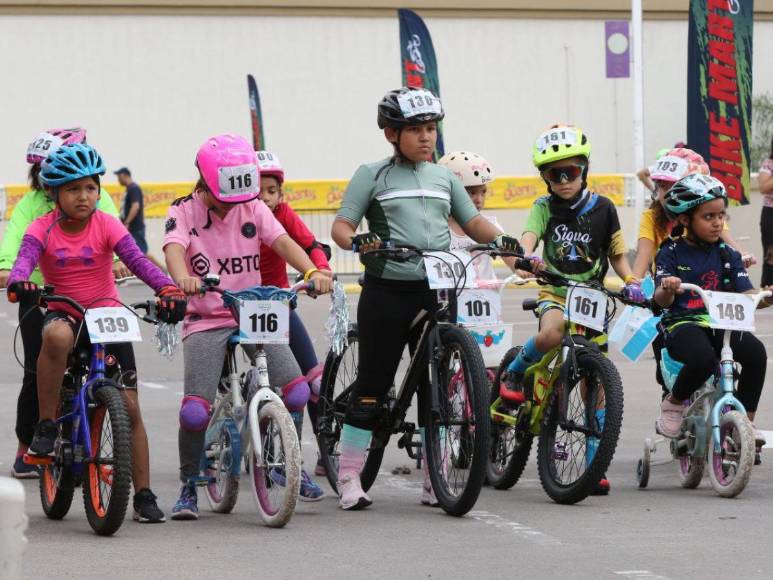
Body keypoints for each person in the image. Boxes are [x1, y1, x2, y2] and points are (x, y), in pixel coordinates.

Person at [330, 87, 521, 510]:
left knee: (436, 387)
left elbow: (472, 223)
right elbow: (342, 226)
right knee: (373, 385)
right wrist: (360, 241)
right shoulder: (372, 174)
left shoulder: (443, 177)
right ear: (391, 135)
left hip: (435, 290)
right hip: (386, 291)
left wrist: (507, 244)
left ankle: (435, 479)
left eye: (431, 128)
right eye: (415, 129)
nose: (426, 137)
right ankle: (348, 477)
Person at [6, 143, 186, 523]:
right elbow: (24, 260)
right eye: (73, 189)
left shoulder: (107, 222)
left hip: (106, 314)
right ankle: (46, 424)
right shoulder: (42, 227)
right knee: (54, 336)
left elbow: (137, 260)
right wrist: (21, 281)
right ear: (54, 193)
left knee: (131, 406)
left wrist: (167, 288)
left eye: (90, 188)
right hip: (64, 312)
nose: (84, 197)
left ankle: (143, 494)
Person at [163, 134, 332, 520]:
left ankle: (290, 463)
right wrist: (180, 279)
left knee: (297, 391)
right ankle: (190, 483)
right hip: (206, 315)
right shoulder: (182, 211)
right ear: (205, 184)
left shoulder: (253, 206)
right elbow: (173, 249)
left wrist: (310, 270)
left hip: (253, 309)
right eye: (225, 198)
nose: (234, 207)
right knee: (194, 411)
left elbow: (283, 241)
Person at [500, 124, 645, 496]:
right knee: (551, 333)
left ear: (585, 169)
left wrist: (630, 280)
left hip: (592, 296)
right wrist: (526, 256)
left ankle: (595, 463)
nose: (564, 180)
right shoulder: (543, 207)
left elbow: (616, 255)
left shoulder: (604, 208)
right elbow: (529, 237)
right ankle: (515, 373)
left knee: (593, 387)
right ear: (545, 177)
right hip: (556, 289)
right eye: (554, 174)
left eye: (572, 171)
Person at [0, 127, 129, 479]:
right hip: (42, 297)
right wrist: (9, 271)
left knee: (107, 369)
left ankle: (103, 432)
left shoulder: (92, 197)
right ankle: (29, 442)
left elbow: (116, 234)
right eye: (42, 170)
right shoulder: (30, 207)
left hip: (91, 297)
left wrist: (120, 260)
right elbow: (12, 247)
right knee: (35, 367)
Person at [653, 173, 770, 458]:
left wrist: (763, 296)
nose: (718, 223)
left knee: (756, 353)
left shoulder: (727, 255)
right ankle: (675, 402)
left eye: (721, 215)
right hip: (683, 323)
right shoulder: (670, 252)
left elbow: (746, 293)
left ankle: (745, 423)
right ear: (684, 219)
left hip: (721, 324)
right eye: (708, 217)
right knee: (703, 358)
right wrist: (668, 288)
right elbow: (661, 299)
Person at [257, 149, 332, 496]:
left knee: (313, 383)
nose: (264, 197)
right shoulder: (237, 216)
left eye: (271, 190)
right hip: (235, 310)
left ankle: (325, 454)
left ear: (281, 194)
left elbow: (310, 246)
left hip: (278, 306)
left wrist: (319, 271)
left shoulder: (284, 215)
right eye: (257, 189)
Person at [632, 147, 752, 280]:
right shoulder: (651, 216)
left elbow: (729, 242)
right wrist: (633, 284)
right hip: (669, 288)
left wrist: (742, 254)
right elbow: (642, 256)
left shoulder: (707, 215)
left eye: (674, 186)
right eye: (661, 185)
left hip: (710, 288)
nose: (665, 193)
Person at [439, 150, 519, 277]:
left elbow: (509, 255)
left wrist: (519, 266)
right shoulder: (438, 229)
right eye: (471, 193)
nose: (479, 200)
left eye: (483, 192)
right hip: (451, 294)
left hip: (486, 294)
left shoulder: (490, 226)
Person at [115, 166, 166, 271]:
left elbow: (135, 206)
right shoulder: (130, 189)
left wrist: (127, 222)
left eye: (118, 177)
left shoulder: (134, 188)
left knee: (142, 252)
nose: (118, 180)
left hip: (135, 227)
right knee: (134, 251)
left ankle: (162, 269)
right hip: (132, 227)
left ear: (124, 175)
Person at [759, 138, 773, 287]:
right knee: (771, 254)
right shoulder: (769, 164)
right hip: (771, 213)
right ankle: (768, 291)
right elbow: (763, 187)